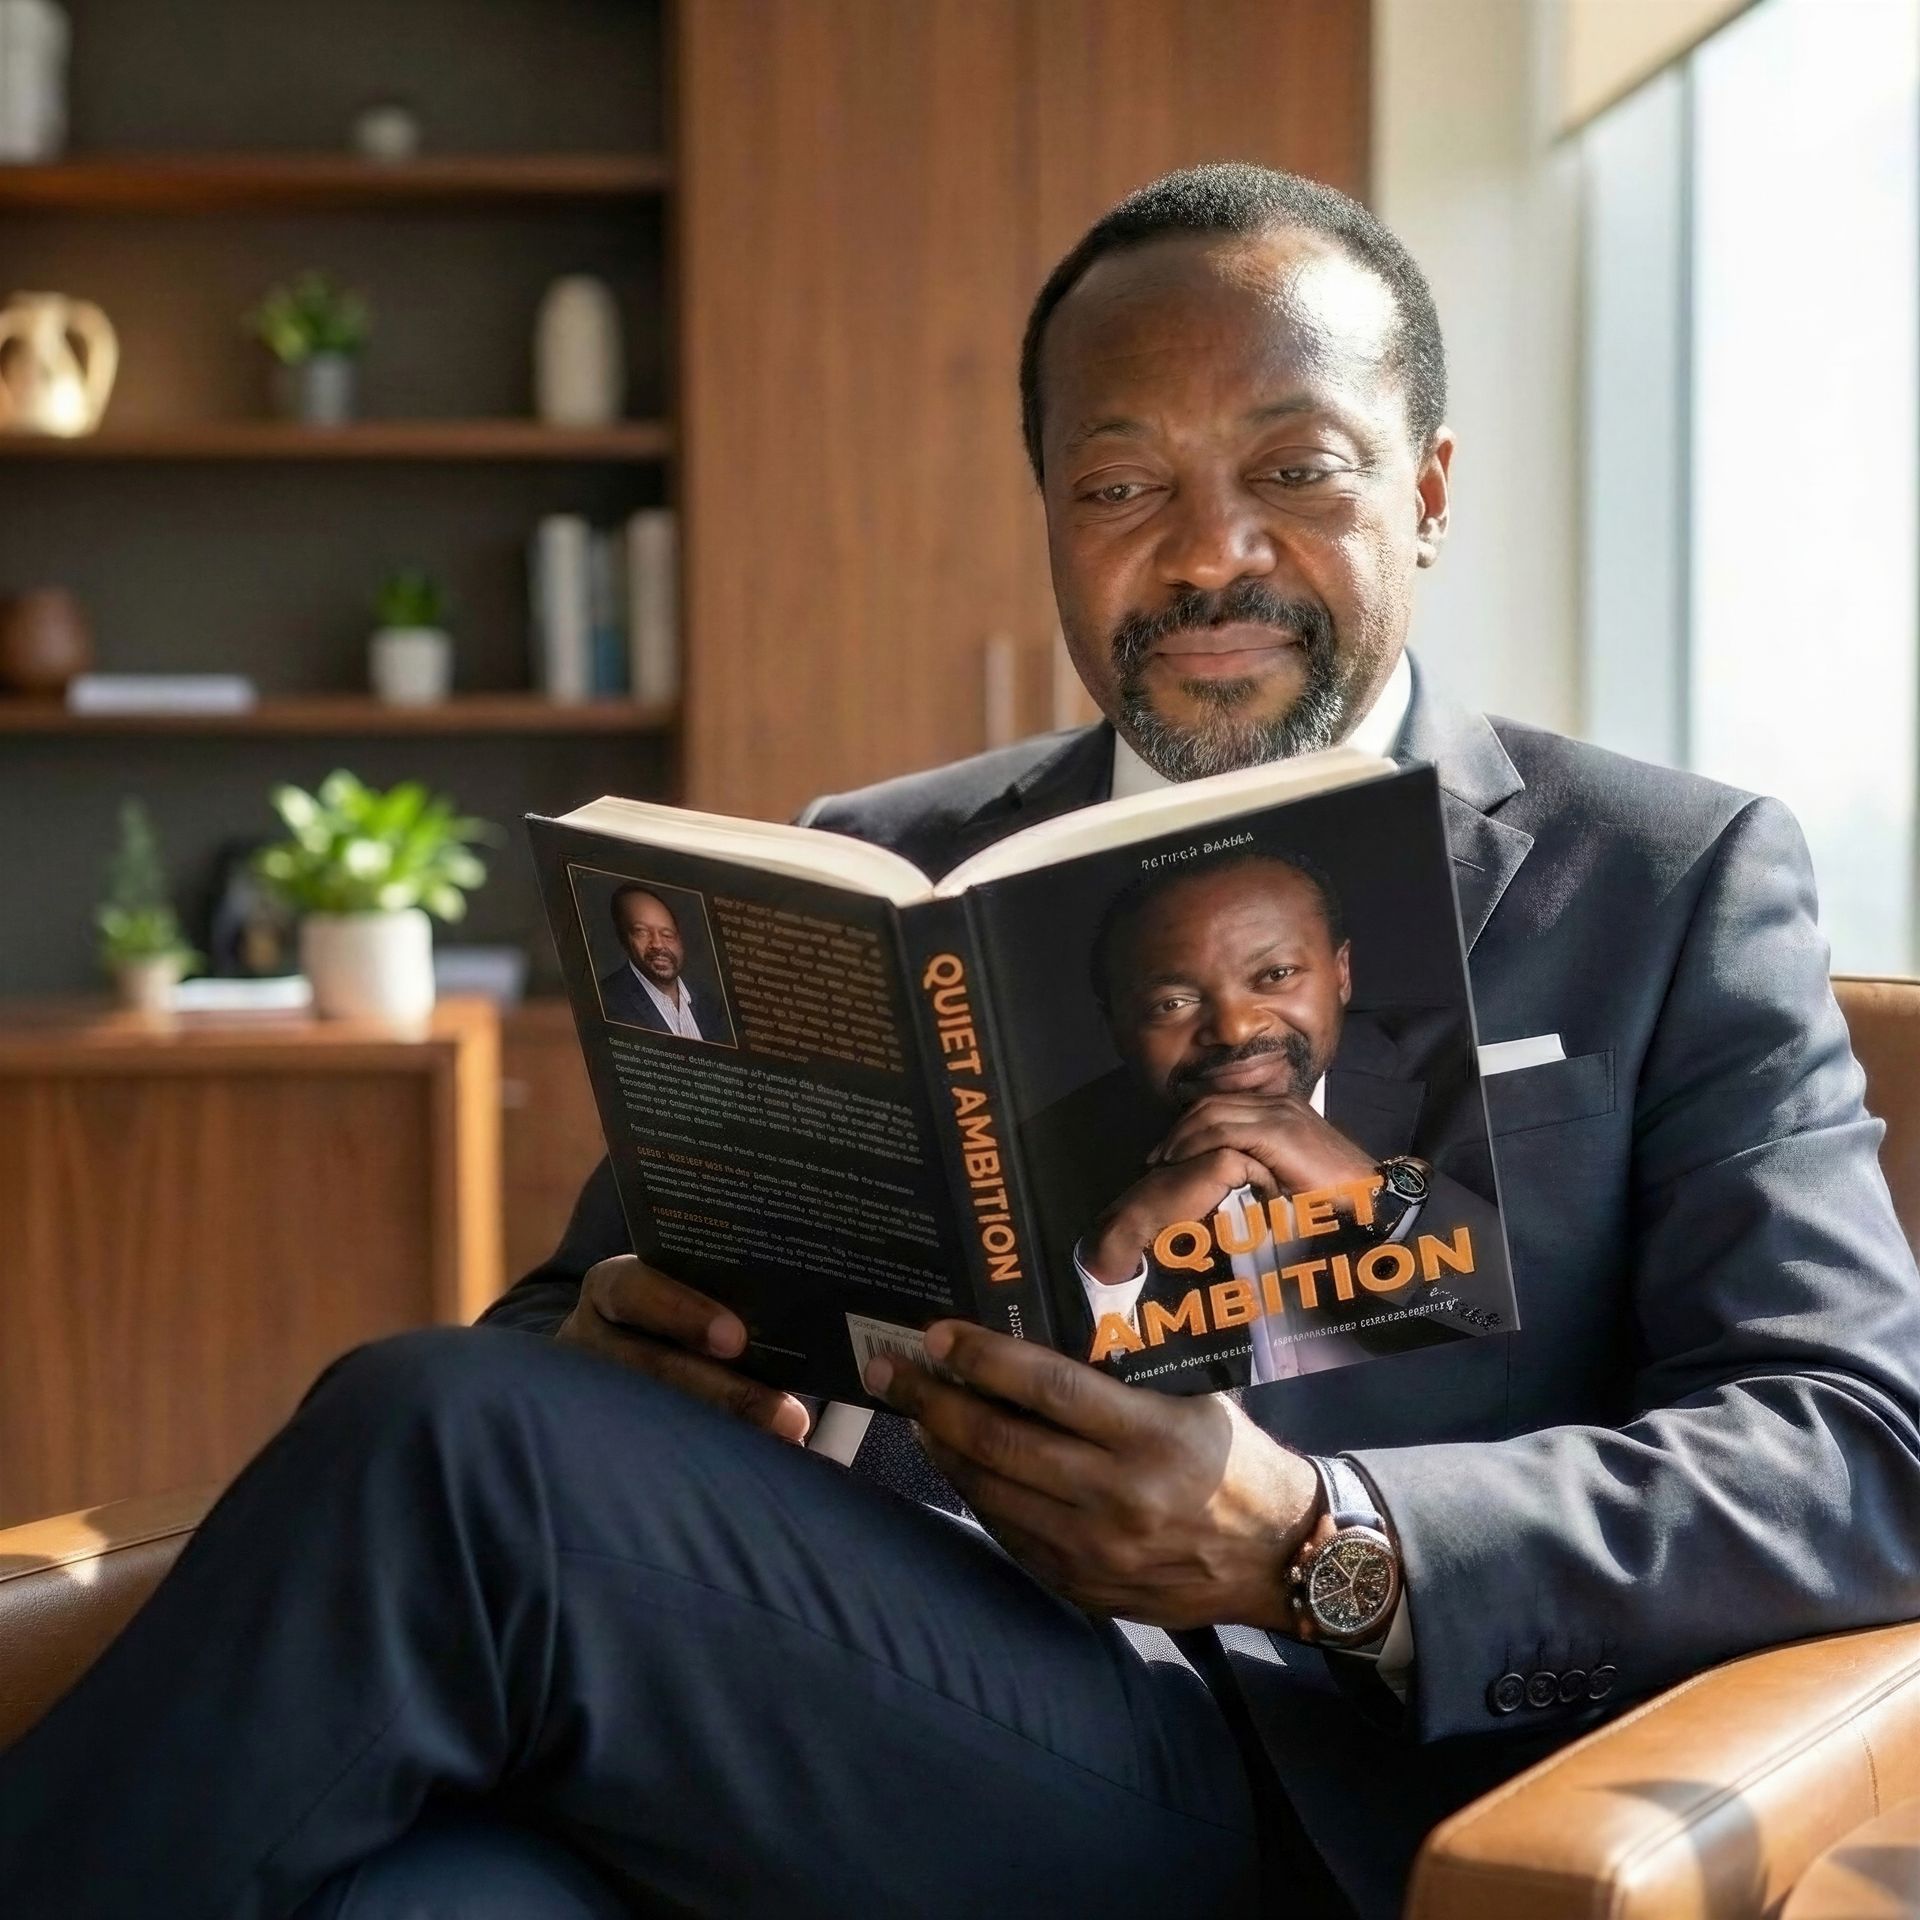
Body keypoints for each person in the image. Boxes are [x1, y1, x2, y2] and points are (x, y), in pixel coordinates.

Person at [4, 163, 1918, 1920]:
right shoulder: (885, 859)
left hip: (1309, 1797)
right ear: (1052, 527)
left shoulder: (1667, 878)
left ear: (1423, 485)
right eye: (1121, 486)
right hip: (845, 1705)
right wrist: (608, 1353)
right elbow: (568, 1328)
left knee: (435, 1437)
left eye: (1296, 469)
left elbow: (1859, 1455)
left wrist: (1318, 1541)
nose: (1204, 554)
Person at [1033, 851, 1506, 1392]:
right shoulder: (1039, 1159)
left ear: (1341, 972)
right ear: (1115, 1025)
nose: (1234, 1029)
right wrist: (1111, 1259)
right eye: (1173, 1003)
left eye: (1275, 975)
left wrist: (1378, 1195)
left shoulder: (1469, 1071)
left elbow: (1557, 1313)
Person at [595, 883, 731, 1043]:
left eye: (667, 935)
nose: (658, 944)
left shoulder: (713, 1005)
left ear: (681, 941)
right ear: (624, 938)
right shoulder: (603, 1001)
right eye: (642, 932)